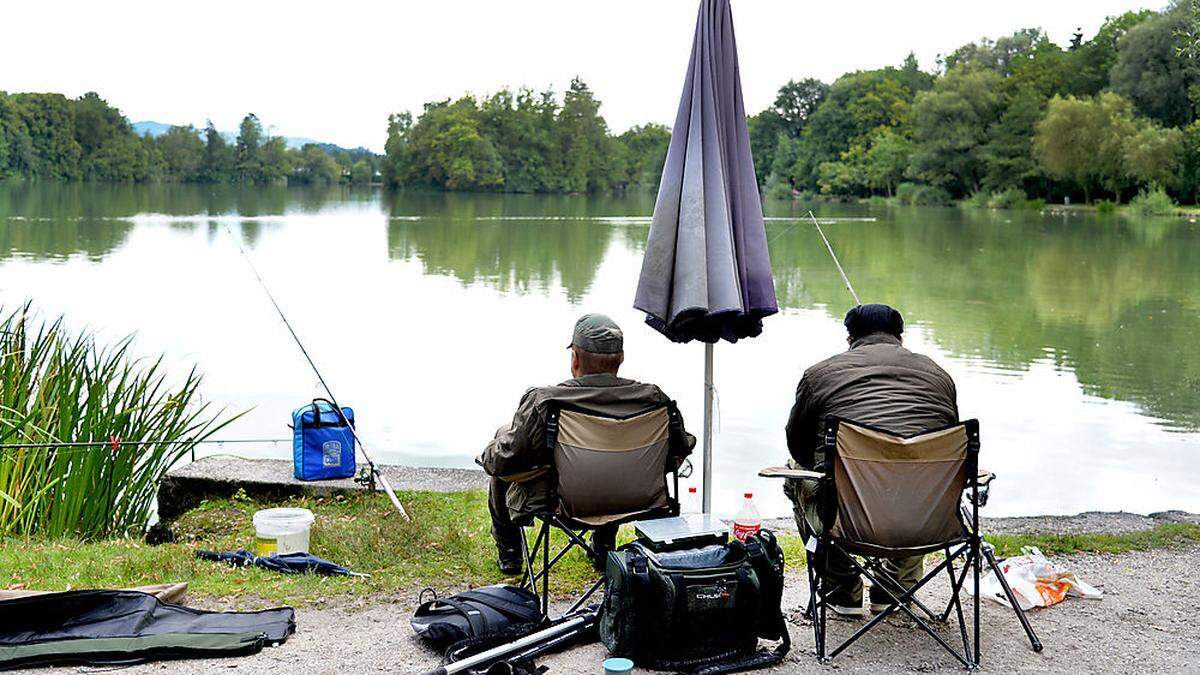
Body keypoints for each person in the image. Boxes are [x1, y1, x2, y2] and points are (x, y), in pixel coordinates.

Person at [478, 313, 695, 575]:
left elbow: (504, 459)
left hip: (561, 504)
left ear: (575, 358)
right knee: (613, 459)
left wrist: (489, 452)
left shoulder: (547, 402)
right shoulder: (654, 399)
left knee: (506, 450)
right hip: (638, 500)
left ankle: (510, 554)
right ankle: (603, 546)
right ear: (621, 359)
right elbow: (680, 448)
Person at [784, 304, 958, 617]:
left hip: (847, 520)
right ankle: (894, 588)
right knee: (916, 479)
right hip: (926, 521)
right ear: (901, 339)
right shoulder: (939, 376)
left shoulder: (819, 374)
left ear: (849, 339)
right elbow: (946, 449)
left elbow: (799, 448)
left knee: (794, 472)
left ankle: (842, 589)